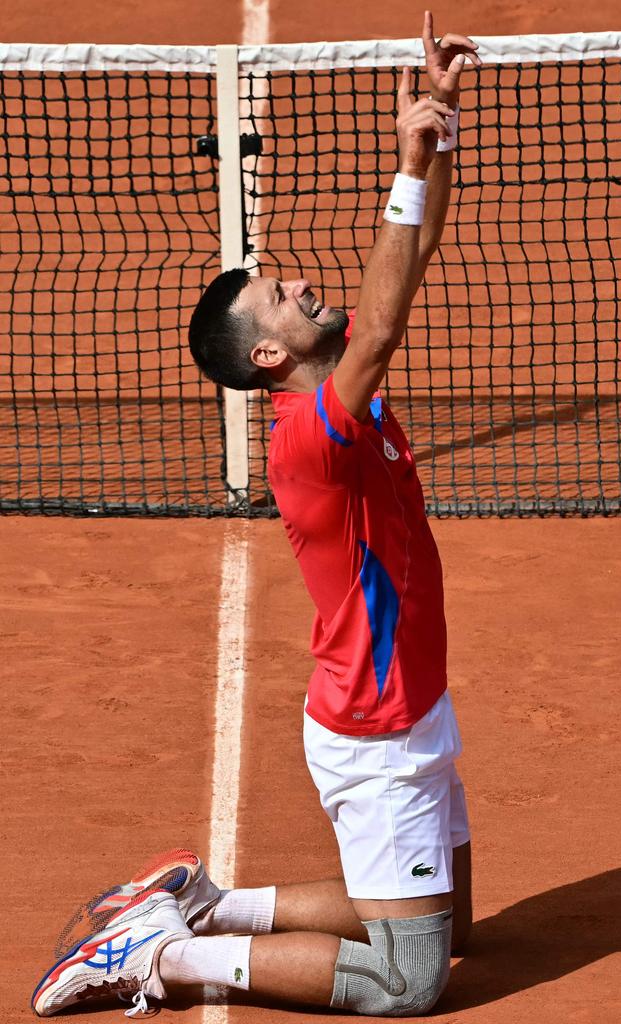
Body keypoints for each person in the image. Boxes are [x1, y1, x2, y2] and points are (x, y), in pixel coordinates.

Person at [31, 13, 481, 1019]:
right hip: (381, 729)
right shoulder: (313, 433)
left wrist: (437, 124)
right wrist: (409, 155)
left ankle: (207, 906)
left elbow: (403, 270)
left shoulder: (340, 387)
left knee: (455, 926)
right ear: (271, 357)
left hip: (414, 703)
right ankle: (172, 962)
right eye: (282, 294)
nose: (306, 284)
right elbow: (392, 304)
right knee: (412, 979)